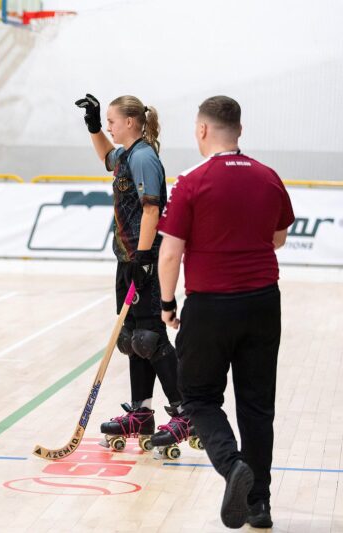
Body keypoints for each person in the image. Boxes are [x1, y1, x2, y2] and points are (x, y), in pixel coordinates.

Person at [158, 96, 294, 529]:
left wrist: (167, 304)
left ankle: (232, 465)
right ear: (240, 130)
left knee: (198, 398)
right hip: (263, 303)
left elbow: (170, 253)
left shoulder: (192, 181)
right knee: (257, 405)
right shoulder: (268, 177)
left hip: (210, 307)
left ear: (202, 130)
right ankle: (259, 505)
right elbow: (278, 238)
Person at [74, 94, 189, 455]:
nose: (109, 126)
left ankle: (185, 412)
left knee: (151, 338)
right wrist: (93, 126)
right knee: (133, 339)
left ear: (130, 122)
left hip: (145, 259)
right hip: (127, 259)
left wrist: (143, 258)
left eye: (111, 121)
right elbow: (106, 157)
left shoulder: (143, 157)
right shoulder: (126, 155)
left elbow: (151, 210)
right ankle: (141, 413)